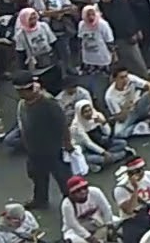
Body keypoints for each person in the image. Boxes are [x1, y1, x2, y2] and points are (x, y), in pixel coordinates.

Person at [13, 72, 72, 210]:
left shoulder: (48, 102)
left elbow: (62, 123)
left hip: (52, 147)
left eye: (22, 91)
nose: (20, 95)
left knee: (62, 176)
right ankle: (40, 199)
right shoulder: (23, 104)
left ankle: (71, 200)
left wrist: (67, 143)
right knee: (37, 176)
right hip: (33, 148)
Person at [114, 158, 150, 243]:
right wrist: (135, 189)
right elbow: (129, 210)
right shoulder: (120, 188)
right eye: (136, 172)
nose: (140, 174)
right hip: (133, 218)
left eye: (141, 170)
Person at [61, 175, 116, 243]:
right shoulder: (67, 205)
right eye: (78, 190)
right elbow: (73, 224)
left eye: (84, 187)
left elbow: (106, 209)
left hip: (97, 219)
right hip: (76, 229)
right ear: (71, 194)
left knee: (120, 224)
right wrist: (89, 238)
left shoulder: (95, 192)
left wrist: (109, 225)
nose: (83, 191)